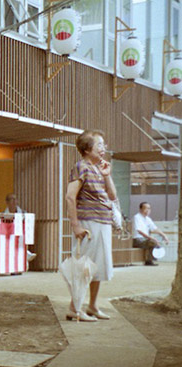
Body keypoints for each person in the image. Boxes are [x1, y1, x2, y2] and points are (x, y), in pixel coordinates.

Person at [65, 129, 117, 322]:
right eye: (100, 145)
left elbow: (112, 196)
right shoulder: (81, 167)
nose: (103, 148)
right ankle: (74, 308)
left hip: (103, 223)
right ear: (87, 149)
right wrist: (75, 225)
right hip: (89, 223)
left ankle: (93, 306)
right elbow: (70, 197)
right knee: (84, 267)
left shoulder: (98, 169)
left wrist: (107, 175)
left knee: (99, 267)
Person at [132, 202, 169, 266]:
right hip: (137, 239)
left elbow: (154, 229)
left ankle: (152, 258)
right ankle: (149, 261)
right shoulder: (136, 217)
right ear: (140, 209)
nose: (147, 210)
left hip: (145, 239)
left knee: (156, 240)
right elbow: (139, 231)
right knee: (153, 242)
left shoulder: (148, 219)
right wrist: (150, 238)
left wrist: (164, 235)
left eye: (149, 208)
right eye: (145, 208)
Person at [4, 193, 37, 262]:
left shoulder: (23, 213)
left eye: (15, 199)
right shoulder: (3, 214)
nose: (14, 201)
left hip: (20, 234)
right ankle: (26, 253)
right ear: (7, 202)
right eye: (11, 199)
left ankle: (25, 252)